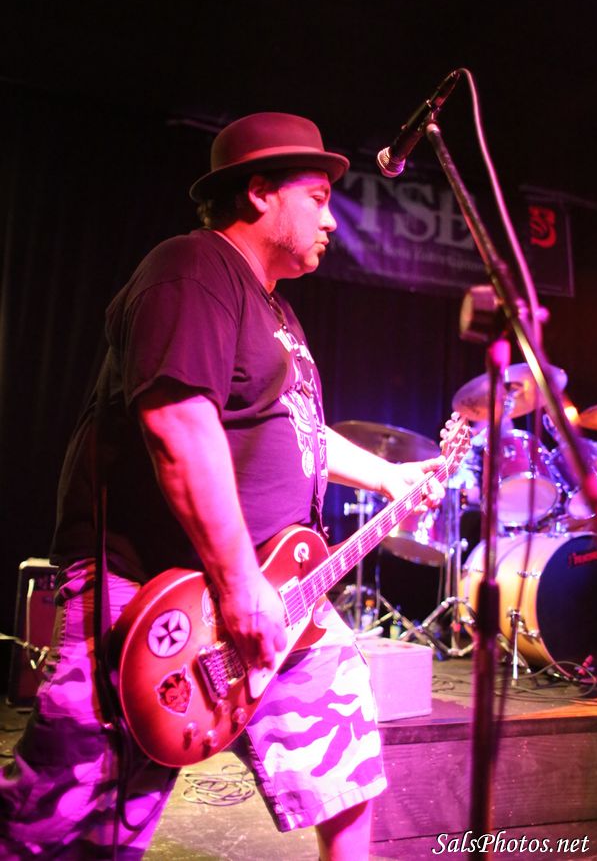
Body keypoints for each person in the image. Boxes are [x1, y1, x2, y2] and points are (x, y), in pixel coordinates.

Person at [0, 112, 445, 859]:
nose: (332, 221)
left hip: (278, 593)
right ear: (261, 192)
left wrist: (390, 477)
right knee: (66, 828)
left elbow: (300, 430)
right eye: (318, 199)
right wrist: (239, 586)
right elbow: (179, 426)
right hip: (155, 593)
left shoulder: (278, 312)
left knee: (347, 776)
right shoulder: (192, 269)